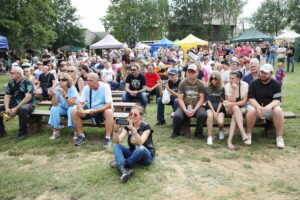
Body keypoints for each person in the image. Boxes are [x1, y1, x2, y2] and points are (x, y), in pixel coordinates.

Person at [110, 105, 155, 183]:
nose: (132, 116)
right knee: (116, 146)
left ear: (141, 116)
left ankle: (121, 164)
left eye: (135, 115)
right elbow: (117, 140)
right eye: (131, 114)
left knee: (140, 149)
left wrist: (133, 130)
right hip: (133, 152)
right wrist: (115, 130)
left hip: (146, 156)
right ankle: (124, 171)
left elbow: (141, 143)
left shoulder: (146, 127)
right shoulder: (128, 125)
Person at [246, 64, 285, 148]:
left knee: (278, 110)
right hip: (256, 108)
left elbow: (277, 99)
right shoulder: (253, 83)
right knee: (251, 110)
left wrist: (269, 106)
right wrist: (257, 106)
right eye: (262, 72)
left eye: (265, 73)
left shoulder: (276, 84)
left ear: (271, 73)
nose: (263, 74)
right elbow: (251, 98)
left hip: (269, 109)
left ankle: (279, 137)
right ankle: (248, 135)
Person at [72, 73, 114, 148]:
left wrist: (96, 110)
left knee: (109, 112)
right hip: (90, 108)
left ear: (97, 80)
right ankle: (81, 136)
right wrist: (80, 108)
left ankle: (107, 138)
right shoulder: (86, 88)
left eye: (91, 81)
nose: (88, 83)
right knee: (75, 112)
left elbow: (109, 105)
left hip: (102, 109)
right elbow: (80, 102)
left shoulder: (105, 87)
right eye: (87, 81)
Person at [170, 64, 207, 139]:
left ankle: (198, 133)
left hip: (197, 106)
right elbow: (180, 98)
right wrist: (185, 110)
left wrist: (194, 109)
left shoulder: (201, 84)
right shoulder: (182, 83)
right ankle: (176, 132)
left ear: (197, 73)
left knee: (202, 114)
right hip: (184, 105)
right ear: (186, 73)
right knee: (177, 116)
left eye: (193, 72)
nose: (191, 73)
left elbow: (201, 99)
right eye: (189, 71)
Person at [0, 67, 35, 140]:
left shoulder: (27, 82)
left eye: (12, 73)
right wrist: (7, 108)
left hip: (28, 104)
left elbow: (28, 97)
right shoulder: (11, 83)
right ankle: (1, 131)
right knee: (0, 108)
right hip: (14, 104)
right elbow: (7, 96)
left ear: (18, 74)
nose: (10, 74)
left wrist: (16, 108)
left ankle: (22, 133)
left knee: (22, 109)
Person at [48, 73, 79, 140]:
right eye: (59, 79)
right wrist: (53, 95)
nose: (61, 81)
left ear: (68, 81)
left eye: (63, 80)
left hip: (73, 107)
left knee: (71, 109)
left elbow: (72, 104)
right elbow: (54, 104)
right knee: (54, 108)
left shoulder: (72, 89)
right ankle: (56, 131)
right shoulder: (58, 88)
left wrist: (65, 96)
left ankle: (76, 131)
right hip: (64, 108)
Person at [224, 71, 249, 149]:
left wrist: (231, 104)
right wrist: (234, 90)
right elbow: (231, 101)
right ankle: (242, 132)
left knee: (235, 113)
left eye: (232, 78)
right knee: (235, 108)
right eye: (230, 78)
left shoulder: (245, 85)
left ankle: (229, 140)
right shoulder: (227, 86)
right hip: (229, 109)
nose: (230, 80)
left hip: (241, 108)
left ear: (238, 79)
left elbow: (244, 101)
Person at [205, 72, 226, 145]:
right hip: (210, 107)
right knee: (210, 116)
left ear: (218, 79)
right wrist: (214, 112)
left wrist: (217, 112)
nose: (213, 80)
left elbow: (221, 101)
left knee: (220, 122)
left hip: (219, 108)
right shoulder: (207, 88)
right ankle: (210, 136)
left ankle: (221, 130)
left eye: (215, 78)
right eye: (211, 78)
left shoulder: (222, 88)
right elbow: (208, 100)